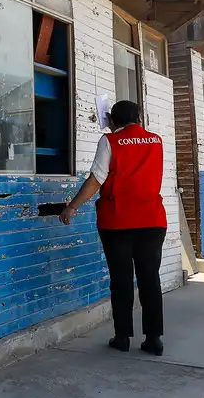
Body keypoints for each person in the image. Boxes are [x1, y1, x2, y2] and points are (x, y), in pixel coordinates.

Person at [60, 99, 168, 355]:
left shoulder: (110, 141)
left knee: (121, 280)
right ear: (139, 118)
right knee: (150, 279)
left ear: (112, 120)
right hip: (152, 221)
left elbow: (96, 179)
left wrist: (72, 207)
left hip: (117, 222)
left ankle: (122, 337)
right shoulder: (156, 141)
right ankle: (154, 339)